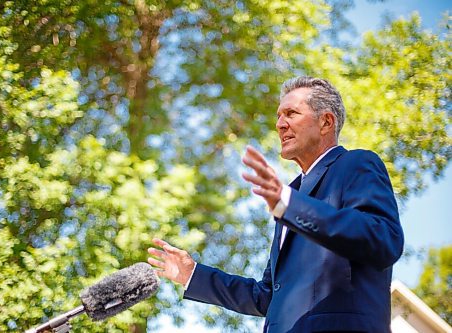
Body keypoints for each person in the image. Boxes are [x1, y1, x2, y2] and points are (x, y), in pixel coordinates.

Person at [147, 76, 404, 333]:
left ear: (326, 121)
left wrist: (289, 205)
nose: (280, 124)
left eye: (291, 113)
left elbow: (383, 241)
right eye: (279, 116)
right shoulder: (290, 193)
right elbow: (268, 296)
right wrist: (192, 275)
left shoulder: (356, 164)